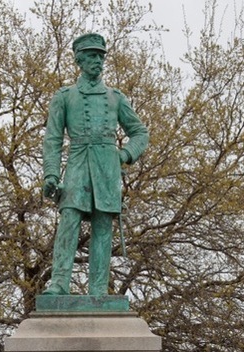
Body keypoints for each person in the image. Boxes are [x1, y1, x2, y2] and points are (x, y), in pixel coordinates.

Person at [42, 33, 148, 296]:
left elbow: (140, 132)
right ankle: (59, 284)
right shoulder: (64, 97)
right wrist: (51, 174)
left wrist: (125, 155)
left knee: (103, 226)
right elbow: (53, 139)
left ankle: (99, 289)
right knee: (69, 219)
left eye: (100, 56)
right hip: (78, 163)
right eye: (91, 56)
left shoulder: (115, 98)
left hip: (107, 169)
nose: (97, 61)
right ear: (79, 60)